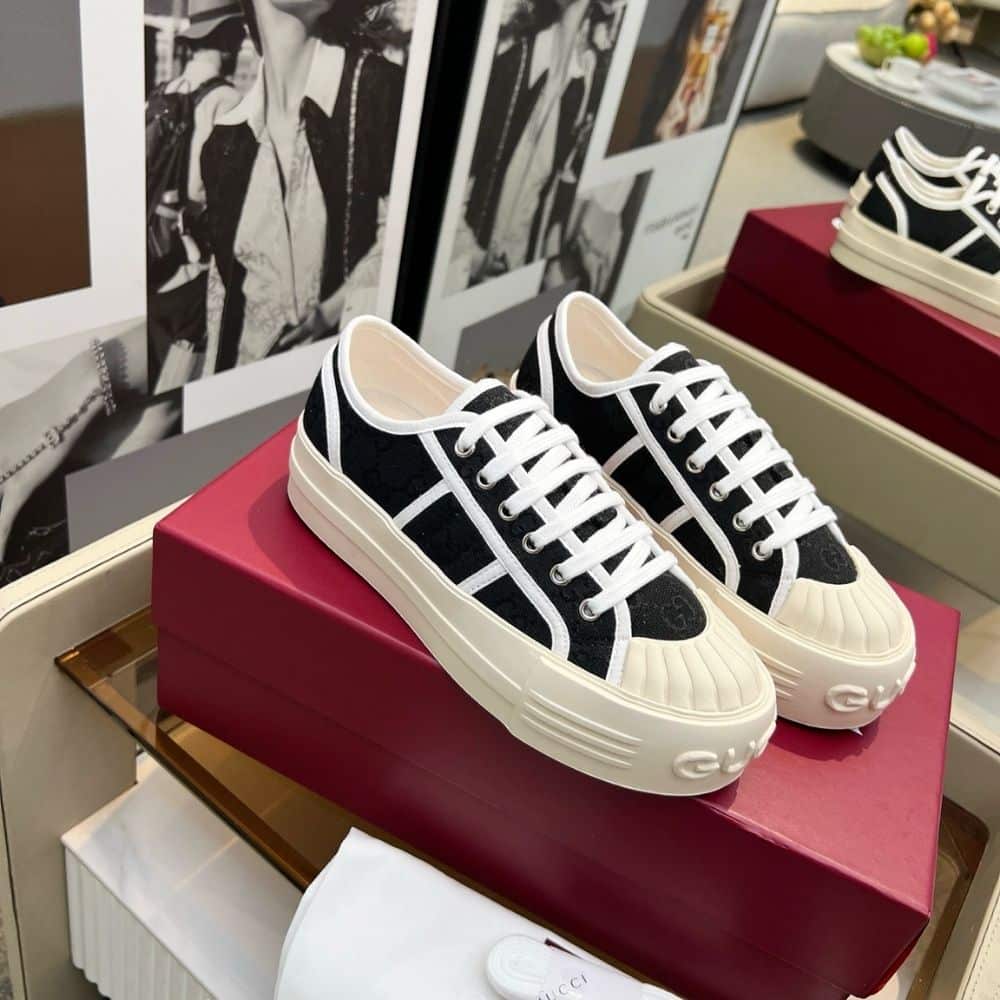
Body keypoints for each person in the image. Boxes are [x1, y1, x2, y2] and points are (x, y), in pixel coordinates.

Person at [200, 0, 404, 374]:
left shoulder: (380, 90)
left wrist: (333, 310)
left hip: (348, 382)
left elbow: (416, 235)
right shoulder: (223, 145)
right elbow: (222, 302)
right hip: (252, 386)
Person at [145, 1, 245, 392]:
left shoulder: (163, 91)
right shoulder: (226, 99)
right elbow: (205, 189)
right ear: (227, 41)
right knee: (185, 363)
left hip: (155, 243)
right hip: (191, 256)